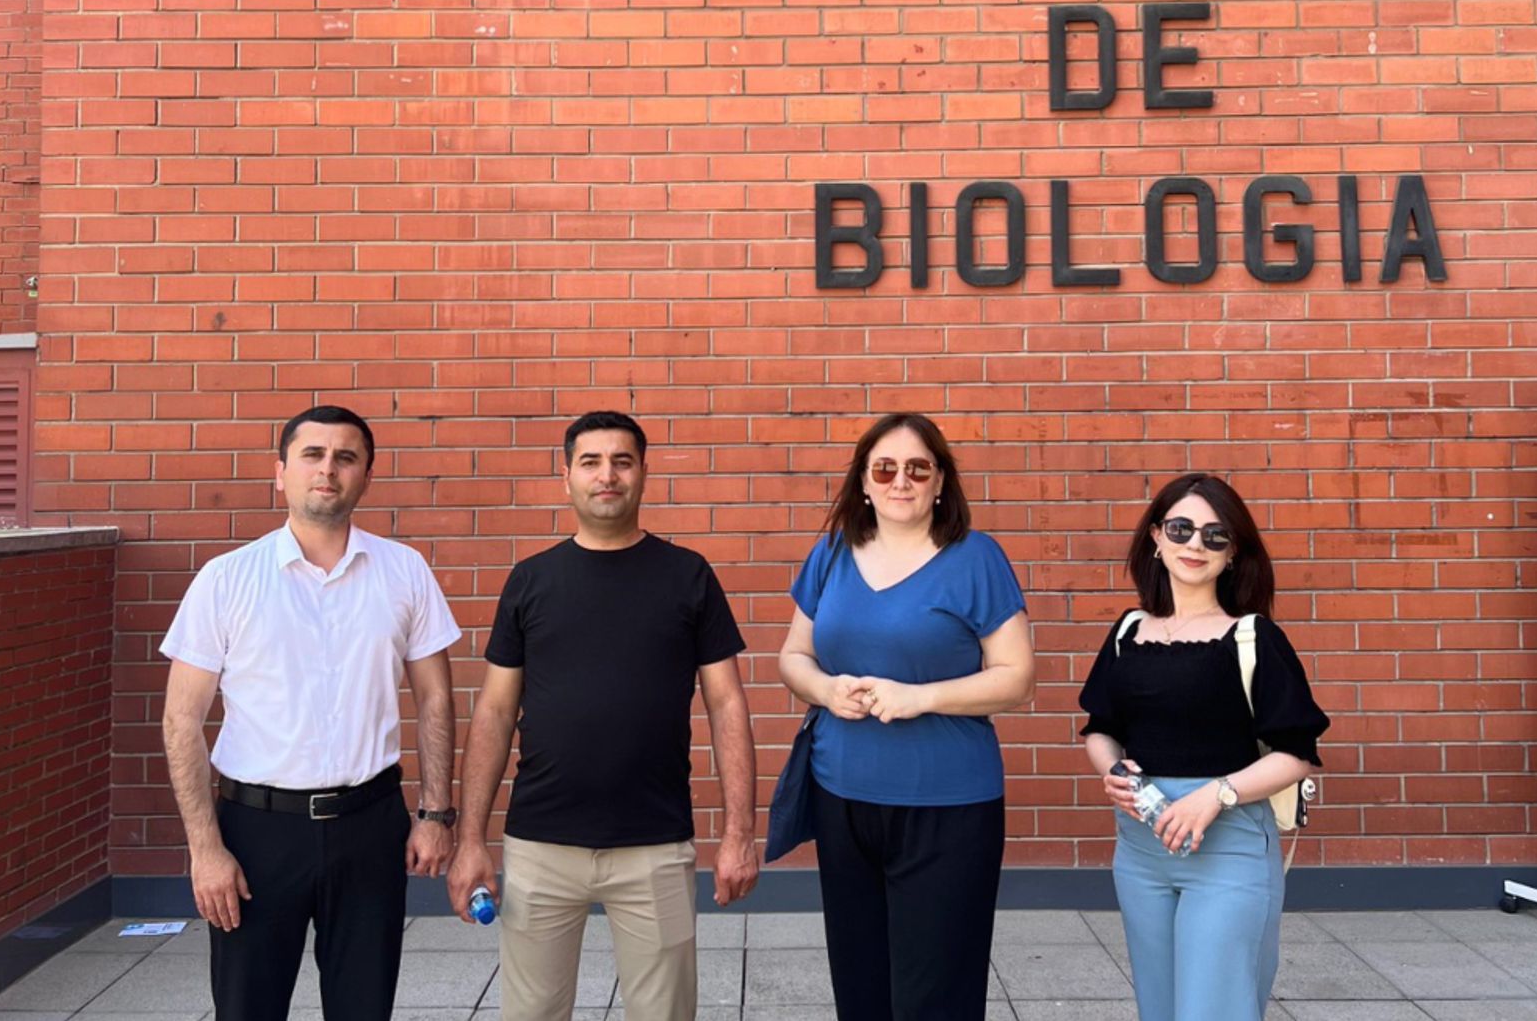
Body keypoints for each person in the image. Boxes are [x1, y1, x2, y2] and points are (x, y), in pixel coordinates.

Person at [447, 410, 758, 1021]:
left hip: (655, 844)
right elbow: (495, 713)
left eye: (622, 461)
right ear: (566, 477)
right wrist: (470, 841)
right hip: (540, 844)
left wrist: (739, 835)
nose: (607, 475)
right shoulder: (531, 581)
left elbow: (727, 705)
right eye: (590, 462)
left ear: (643, 473)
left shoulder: (688, 576)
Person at [159, 405, 461, 1021]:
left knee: (364, 1007)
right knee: (247, 1009)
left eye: (346, 457)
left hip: (370, 825)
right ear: (280, 473)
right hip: (256, 831)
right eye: (312, 455)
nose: (328, 470)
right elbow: (181, 720)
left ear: (366, 476)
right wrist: (205, 849)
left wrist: (435, 814)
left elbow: (435, 698)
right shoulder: (226, 579)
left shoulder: (404, 570)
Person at [777, 412, 1036, 1021]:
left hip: (947, 807)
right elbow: (793, 656)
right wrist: (825, 688)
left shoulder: (976, 558)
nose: (901, 481)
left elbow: (1017, 677)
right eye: (885, 468)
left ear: (940, 481)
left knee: (936, 994)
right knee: (860, 986)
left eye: (918, 469)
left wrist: (920, 697)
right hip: (842, 798)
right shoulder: (832, 552)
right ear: (863, 482)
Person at [1079, 472, 1330, 1021]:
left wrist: (1217, 794)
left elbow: (1297, 753)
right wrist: (1114, 771)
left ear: (1233, 552)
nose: (1196, 544)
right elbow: (1100, 727)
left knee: (1213, 1009)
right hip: (1141, 847)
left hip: (1227, 848)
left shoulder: (1253, 637)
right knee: (1160, 1008)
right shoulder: (1128, 632)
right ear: (1156, 536)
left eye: (1215, 535)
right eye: (1181, 529)